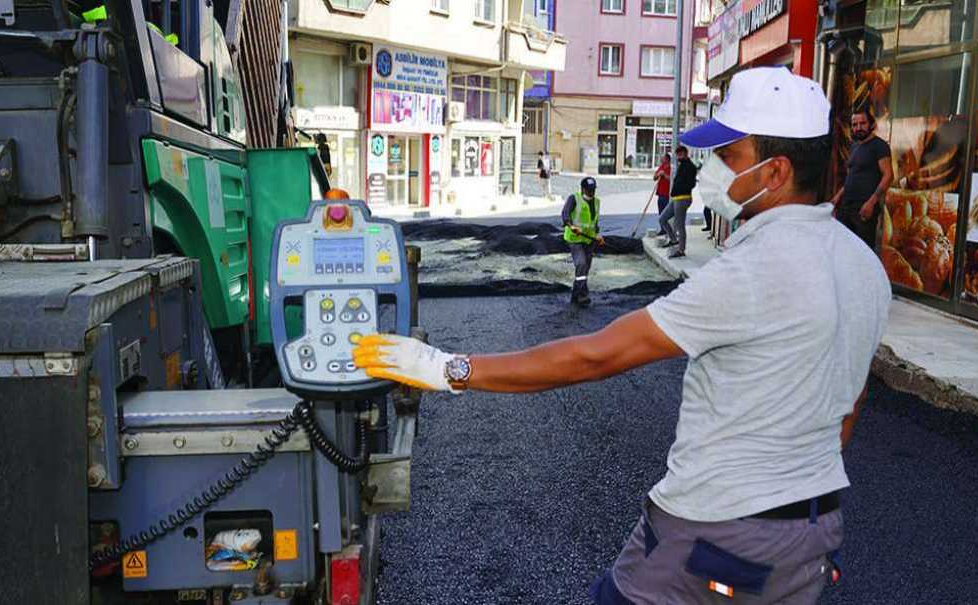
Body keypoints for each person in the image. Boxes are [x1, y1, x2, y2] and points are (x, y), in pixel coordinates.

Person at [352, 67, 891, 604]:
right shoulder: (863, 266)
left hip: (714, 537)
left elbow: (595, 355)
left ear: (775, 173)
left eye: (729, 156)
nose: (711, 169)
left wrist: (450, 369)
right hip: (813, 537)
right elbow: (849, 404)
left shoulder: (752, 271)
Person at [830, 108, 894, 249]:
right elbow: (852, 176)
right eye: (855, 124)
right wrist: (837, 197)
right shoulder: (854, 146)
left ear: (871, 124)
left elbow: (888, 175)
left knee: (862, 253)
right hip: (846, 207)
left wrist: (871, 203)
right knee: (842, 249)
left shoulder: (880, 146)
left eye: (862, 123)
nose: (858, 128)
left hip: (864, 210)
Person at [560, 177, 605, 307]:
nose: (592, 192)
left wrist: (597, 235)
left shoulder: (596, 202)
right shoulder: (574, 198)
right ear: (583, 189)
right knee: (581, 264)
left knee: (585, 268)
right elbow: (565, 213)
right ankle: (582, 294)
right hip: (574, 239)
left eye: (593, 190)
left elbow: (594, 221)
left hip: (589, 240)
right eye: (589, 190)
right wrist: (571, 225)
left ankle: (575, 295)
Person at [658, 146, 698, 258]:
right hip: (676, 198)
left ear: (685, 154)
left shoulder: (690, 167)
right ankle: (673, 240)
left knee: (680, 225)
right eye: (677, 154)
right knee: (662, 219)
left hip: (683, 198)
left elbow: (692, 184)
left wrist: (680, 187)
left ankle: (681, 250)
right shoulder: (682, 165)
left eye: (680, 154)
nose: (678, 157)